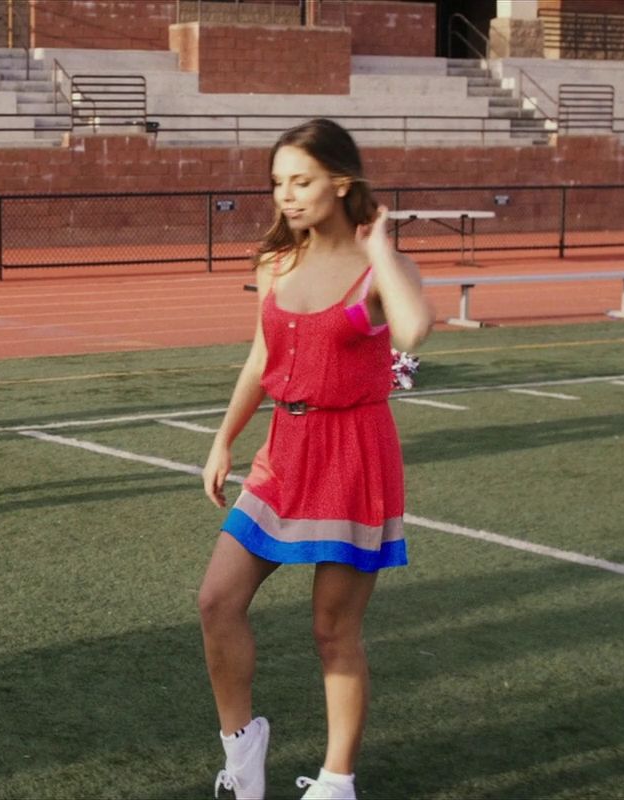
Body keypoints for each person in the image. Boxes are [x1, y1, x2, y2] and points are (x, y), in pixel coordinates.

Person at [197, 119, 432, 800]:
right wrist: (223, 439)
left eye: (301, 181)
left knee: (333, 630)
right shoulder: (276, 261)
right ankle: (243, 755)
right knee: (216, 600)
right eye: (279, 182)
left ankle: (336, 781)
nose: (287, 195)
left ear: (342, 181)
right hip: (283, 452)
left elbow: (414, 330)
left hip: (354, 456)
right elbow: (260, 358)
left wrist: (379, 247)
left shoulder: (378, 269)